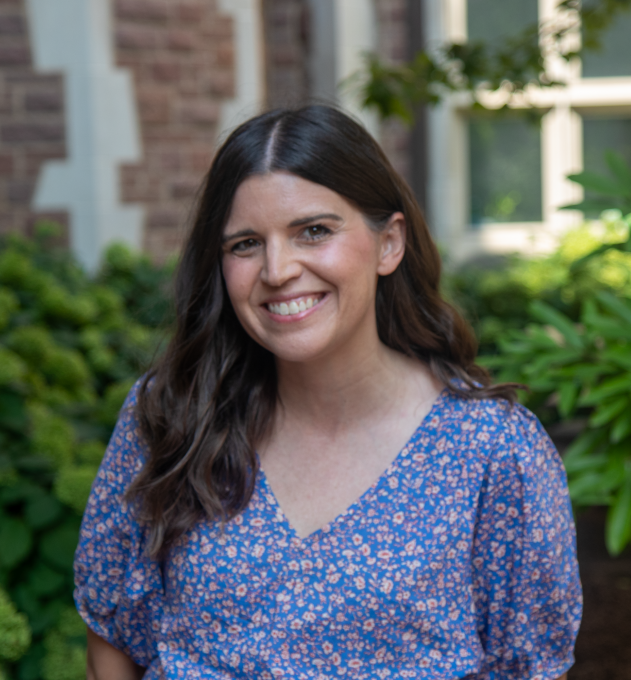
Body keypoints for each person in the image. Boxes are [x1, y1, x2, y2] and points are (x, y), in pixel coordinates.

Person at [75, 105, 582, 680]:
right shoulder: (171, 416)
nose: (277, 269)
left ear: (389, 244)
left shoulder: (492, 452)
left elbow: (530, 667)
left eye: (313, 231)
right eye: (245, 244)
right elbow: (113, 641)